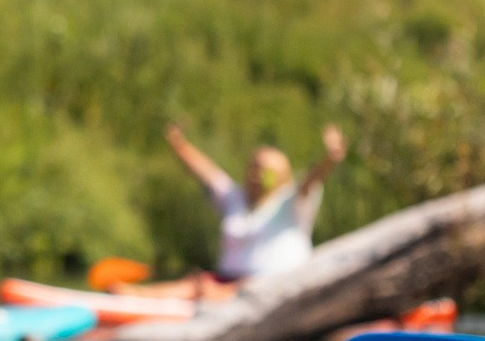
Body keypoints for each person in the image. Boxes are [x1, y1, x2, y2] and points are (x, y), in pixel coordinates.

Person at [132, 122, 347, 300]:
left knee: (205, 289)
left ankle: (146, 299)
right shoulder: (235, 198)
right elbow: (205, 171)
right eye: (253, 167)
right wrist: (178, 144)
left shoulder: (291, 202)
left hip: (271, 289)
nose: (256, 176)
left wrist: (330, 158)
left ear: (282, 177)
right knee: (196, 284)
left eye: (265, 172)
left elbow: (311, 180)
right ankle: (136, 297)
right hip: (224, 281)